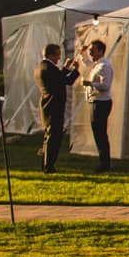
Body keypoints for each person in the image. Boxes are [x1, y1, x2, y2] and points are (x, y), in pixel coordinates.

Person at [36, 41, 78, 173]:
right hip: (53, 106)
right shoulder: (49, 68)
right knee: (53, 137)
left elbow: (60, 79)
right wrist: (73, 70)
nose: (59, 58)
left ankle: (45, 163)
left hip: (47, 105)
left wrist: (67, 69)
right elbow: (63, 80)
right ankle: (49, 165)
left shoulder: (41, 67)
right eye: (57, 55)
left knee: (48, 135)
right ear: (51, 55)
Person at [82, 37, 115, 172]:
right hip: (96, 101)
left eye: (92, 50)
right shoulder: (97, 64)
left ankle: (104, 163)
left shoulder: (104, 66)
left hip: (101, 103)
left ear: (101, 51)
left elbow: (105, 85)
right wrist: (81, 53)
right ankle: (103, 161)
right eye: (90, 50)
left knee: (100, 133)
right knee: (98, 132)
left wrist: (90, 84)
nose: (90, 53)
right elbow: (87, 63)